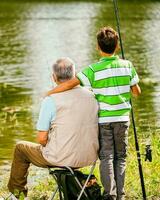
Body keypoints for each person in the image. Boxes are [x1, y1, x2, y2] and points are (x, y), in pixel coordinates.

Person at [45, 27, 141, 200]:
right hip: (122, 119)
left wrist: (50, 93)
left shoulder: (93, 70)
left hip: (104, 121)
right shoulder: (127, 65)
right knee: (121, 157)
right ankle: (121, 195)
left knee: (107, 157)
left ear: (98, 46)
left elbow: (70, 84)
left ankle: (110, 195)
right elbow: (136, 92)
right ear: (117, 46)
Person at [7, 57, 99, 199]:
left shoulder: (51, 100)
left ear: (54, 77)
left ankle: (17, 196)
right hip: (89, 156)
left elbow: (42, 139)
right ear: (74, 76)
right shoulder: (92, 96)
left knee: (20, 148)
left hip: (62, 157)